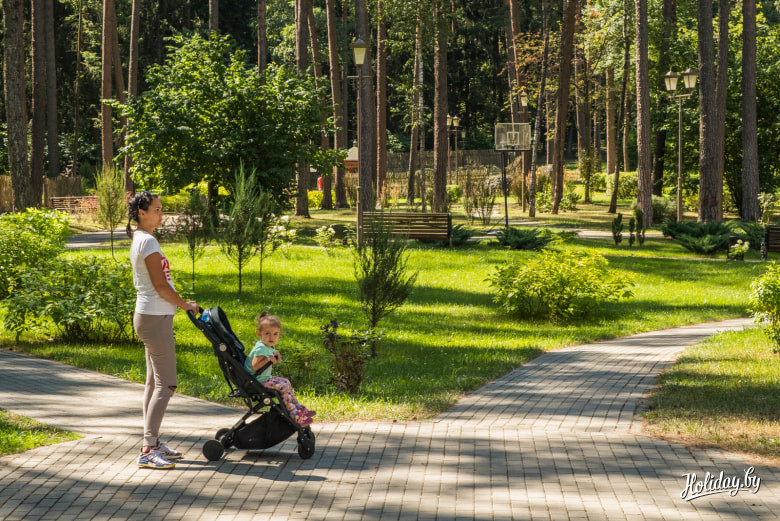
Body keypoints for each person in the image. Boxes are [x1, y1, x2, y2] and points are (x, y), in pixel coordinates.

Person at [127, 191, 198, 469]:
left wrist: (179, 304)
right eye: (156, 209)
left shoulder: (142, 238)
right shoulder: (148, 241)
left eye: (161, 209)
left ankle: (153, 442)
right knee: (167, 384)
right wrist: (185, 305)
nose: (161, 214)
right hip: (154, 318)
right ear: (142, 213)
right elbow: (160, 285)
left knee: (153, 383)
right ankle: (148, 449)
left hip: (151, 316)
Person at [245, 312, 316, 425]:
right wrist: (269, 360)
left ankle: (298, 407)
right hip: (257, 381)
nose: (271, 337)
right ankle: (293, 413)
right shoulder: (261, 348)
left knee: (286, 381)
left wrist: (274, 356)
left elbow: (271, 360)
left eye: (275, 334)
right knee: (283, 386)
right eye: (267, 333)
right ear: (259, 333)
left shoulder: (267, 346)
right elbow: (255, 366)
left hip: (263, 378)